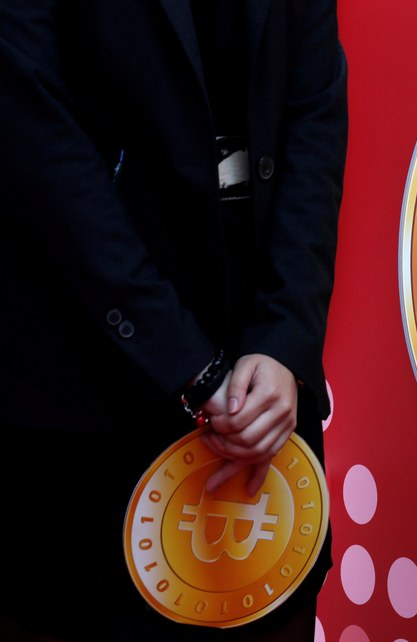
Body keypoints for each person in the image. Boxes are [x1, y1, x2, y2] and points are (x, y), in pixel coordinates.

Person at [0, 1, 348, 640]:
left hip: (263, 391)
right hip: (81, 397)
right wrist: (188, 363)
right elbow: (38, 145)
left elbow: (315, 112)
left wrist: (284, 338)